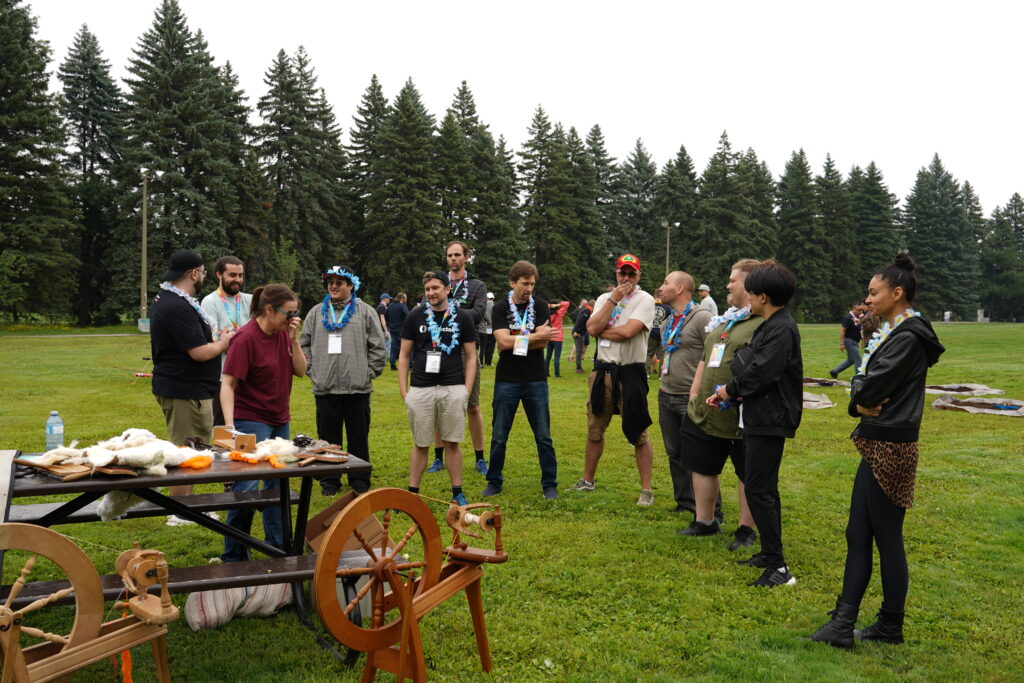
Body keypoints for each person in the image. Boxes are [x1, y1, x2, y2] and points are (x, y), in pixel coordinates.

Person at [811, 254, 944, 650]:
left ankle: (874, 625)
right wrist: (859, 397)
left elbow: (868, 388)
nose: (866, 300)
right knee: (862, 533)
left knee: (885, 537)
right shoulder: (895, 333)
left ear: (897, 293)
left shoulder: (908, 337)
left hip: (891, 444)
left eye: (874, 292)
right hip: (879, 440)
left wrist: (857, 397)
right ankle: (860, 622)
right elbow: (866, 388)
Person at [708, 262, 803, 588]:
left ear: (763, 296)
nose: (746, 295)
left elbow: (762, 371)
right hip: (759, 416)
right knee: (762, 488)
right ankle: (769, 553)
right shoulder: (770, 324)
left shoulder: (781, 328)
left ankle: (778, 568)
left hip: (770, 419)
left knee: (760, 489)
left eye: (750, 290)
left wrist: (728, 390)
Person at [219, 284, 307, 563]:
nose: (293, 318)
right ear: (269, 310)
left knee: (277, 488)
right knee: (246, 490)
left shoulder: (283, 334)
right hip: (250, 422)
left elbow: (302, 372)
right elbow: (227, 384)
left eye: (296, 313)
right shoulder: (245, 339)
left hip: (280, 421)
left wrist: (294, 339)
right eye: (289, 313)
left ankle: (278, 552)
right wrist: (230, 427)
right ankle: (233, 556)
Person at [680, 259, 764, 546]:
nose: (727, 285)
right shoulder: (727, 318)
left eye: (733, 280)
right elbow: (705, 358)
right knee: (703, 465)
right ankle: (705, 521)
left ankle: (746, 529)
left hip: (740, 414)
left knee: (746, 470)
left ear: (752, 285)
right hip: (707, 409)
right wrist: (694, 394)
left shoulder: (763, 322)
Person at [151, 250, 232, 526]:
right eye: (204, 271)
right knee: (187, 450)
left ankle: (186, 507)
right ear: (193, 274)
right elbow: (198, 352)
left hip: (185, 387)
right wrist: (224, 343)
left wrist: (216, 338)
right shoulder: (176, 305)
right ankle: (180, 512)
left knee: (190, 447)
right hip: (185, 390)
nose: (204, 277)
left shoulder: (173, 300)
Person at [569, 254, 656, 506]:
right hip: (602, 370)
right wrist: (613, 300)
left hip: (630, 371)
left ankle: (646, 490)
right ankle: (587, 481)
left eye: (631, 274)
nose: (626, 278)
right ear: (616, 274)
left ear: (639, 276)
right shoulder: (604, 299)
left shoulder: (645, 300)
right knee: (594, 428)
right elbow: (591, 327)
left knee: (638, 431)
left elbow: (628, 331)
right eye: (622, 273)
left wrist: (600, 330)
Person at [300, 266, 386, 495]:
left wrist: (368, 373)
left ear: (351, 286)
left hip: (357, 388)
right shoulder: (316, 312)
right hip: (325, 387)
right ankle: (330, 479)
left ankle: (359, 478)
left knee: (358, 437)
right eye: (331, 281)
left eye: (340, 282)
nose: (334, 286)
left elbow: (378, 346)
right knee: (328, 439)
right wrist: (312, 370)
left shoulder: (365, 311)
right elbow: (303, 344)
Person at [398, 271, 478, 506]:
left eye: (435, 288)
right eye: (427, 289)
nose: (431, 293)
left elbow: (471, 356)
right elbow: (403, 356)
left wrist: (466, 389)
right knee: (421, 443)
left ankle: (457, 492)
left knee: (452, 442)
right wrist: (405, 391)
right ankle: (412, 493)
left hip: (452, 387)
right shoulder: (415, 316)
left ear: (446, 289)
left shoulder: (463, 317)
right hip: (421, 388)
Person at [425, 241, 488, 476]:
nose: (453, 259)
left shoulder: (476, 285)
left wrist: (447, 313)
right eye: (449, 255)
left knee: (472, 406)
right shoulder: (437, 283)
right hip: (439, 351)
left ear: (466, 257)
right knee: (438, 406)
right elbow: (426, 308)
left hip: (465, 351)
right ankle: (439, 457)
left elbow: (478, 314)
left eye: (457, 255)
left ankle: (480, 458)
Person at [655, 271, 713, 517]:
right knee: (674, 452)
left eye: (665, 283)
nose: (660, 287)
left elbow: (714, 354)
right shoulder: (668, 320)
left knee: (699, 456)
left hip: (689, 397)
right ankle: (685, 502)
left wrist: (700, 391)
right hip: (666, 393)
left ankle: (711, 510)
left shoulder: (702, 317)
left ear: (680, 288)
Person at [200, 255, 252, 427]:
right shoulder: (209, 302)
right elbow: (215, 341)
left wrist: (230, 339)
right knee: (224, 429)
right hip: (222, 376)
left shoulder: (250, 300)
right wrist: (240, 341)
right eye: (232, 275)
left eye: (240, 275)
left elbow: (258, 337)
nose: (237, 280)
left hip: (248, 376)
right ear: (219, 275)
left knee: (248, 426)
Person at [830, 303, 865, 378]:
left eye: (862, 310)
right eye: (859, 310)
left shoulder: (858, 318)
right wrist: (841, 344)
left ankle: (834, 371)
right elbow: (842, 331)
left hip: (855, 341)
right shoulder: (848, 318)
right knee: (858, 359)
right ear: (854, 309)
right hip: (849, 341)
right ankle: (858, 377)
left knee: (850, 360)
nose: (861, 311)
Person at [545, 299, 570, 377]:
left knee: (548, 356)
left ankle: (546, 373)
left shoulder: (547, 315)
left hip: (550, 336)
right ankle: (557, 374)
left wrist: (550, 306)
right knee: (556, 357)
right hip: (558, 338)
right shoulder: (559, 313)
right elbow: (567, 303)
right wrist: (557, 305)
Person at [385, 292, 410, 371]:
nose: (406, 300)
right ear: (402, 298)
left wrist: (389, 324)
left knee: (393, 348)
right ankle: (408, 365)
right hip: (401, 329)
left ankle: (392, 366)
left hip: (392, 329)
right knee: (405, 348)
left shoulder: (390, 306)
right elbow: (408, 315)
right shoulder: (403, 306)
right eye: (405, 298)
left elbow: (386, 316)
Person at [647, 296, 671, 376]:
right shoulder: (667, 307)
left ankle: (647, 373)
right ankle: (661, 374)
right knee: (663, 354)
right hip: (663, 333)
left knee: (648, 353)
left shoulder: (649, 306)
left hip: (652, 332)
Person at [571, 298, 592, 374]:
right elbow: (579, 321)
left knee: (581, 349)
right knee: (579, 351)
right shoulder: (586, 311)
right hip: (578, 333)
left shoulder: (587, 310)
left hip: (582, 332)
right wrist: (576, 331)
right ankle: (578, 368)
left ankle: (579, 367)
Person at [481, 292, 496, 366]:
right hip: (492, 328)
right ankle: (488, 362)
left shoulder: (483, 305)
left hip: (484, 328)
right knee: (491, 346)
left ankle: (481, 362)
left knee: (484, 346)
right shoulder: (495, 306)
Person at [377, 293, 391, 366]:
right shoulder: (382, 307)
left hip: (383, 329)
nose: (389, 300)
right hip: (383, 329)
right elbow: (382, 319)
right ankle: (383, 362)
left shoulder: (382, 306)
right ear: (385, 299)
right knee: (385, 346)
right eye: (388, 298)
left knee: (386, 345)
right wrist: (386, 330)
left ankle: (383, 361)